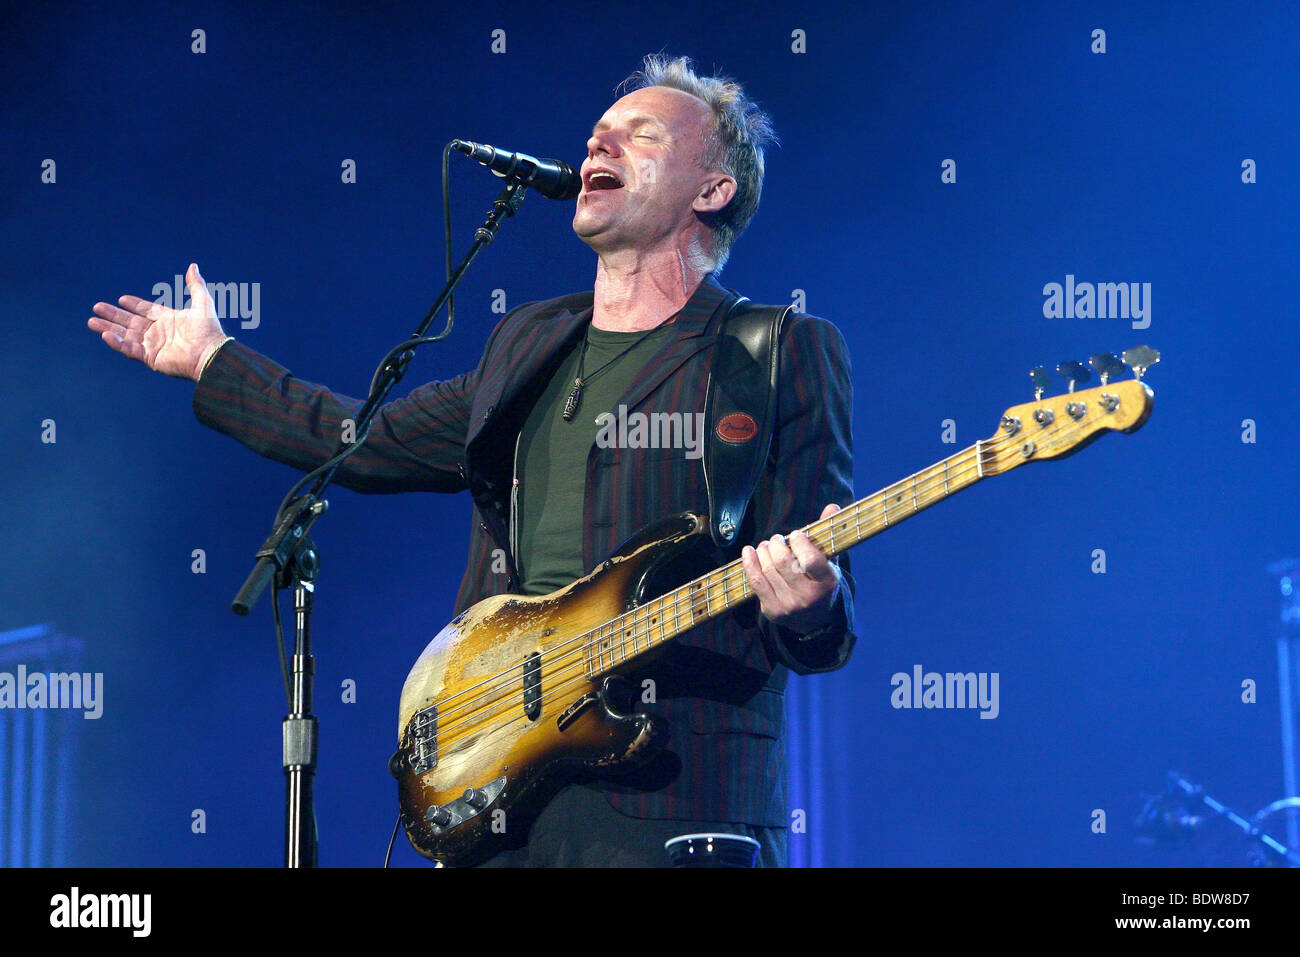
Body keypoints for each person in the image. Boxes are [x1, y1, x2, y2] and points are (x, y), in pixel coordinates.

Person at [87, 54, 857, 867]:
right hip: (500, 799)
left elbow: (820, 619)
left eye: (641, 134)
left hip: (673, 802)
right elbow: (366, 439)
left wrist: (809, 603)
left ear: (712, 189)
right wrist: (214, 359)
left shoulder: (776, 352)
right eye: (599, 133)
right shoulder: (529, 341)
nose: (601, 143)